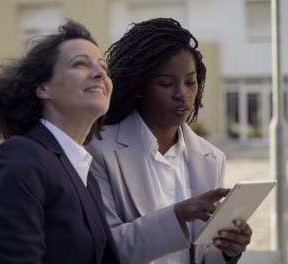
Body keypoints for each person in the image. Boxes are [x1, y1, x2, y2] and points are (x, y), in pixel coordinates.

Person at [86, 18, 252, 264]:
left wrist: (228, 250)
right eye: (166, 83)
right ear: (139, 86)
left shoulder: (212, 158)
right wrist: (176, 216)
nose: (182, 94)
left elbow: (204, 255)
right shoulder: (99, 150)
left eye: (190, 82)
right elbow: (106, 247)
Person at [0, 20, 120, 264]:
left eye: (104, 67)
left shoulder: (81, 169)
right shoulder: (20, 158)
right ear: (43, 87)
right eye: (80, 64)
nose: (100, 73)